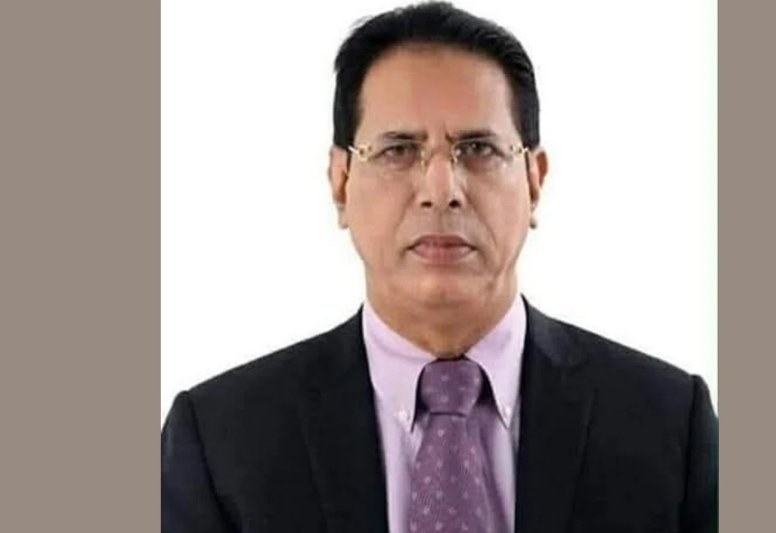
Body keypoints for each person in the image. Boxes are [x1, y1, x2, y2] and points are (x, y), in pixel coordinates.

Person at [161, 2, 718, 532]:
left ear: (534, 180)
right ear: (340, 182)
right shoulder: (221, 441)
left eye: (478, 149)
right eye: (398, 150)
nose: (441, 189)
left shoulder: (670, 423)